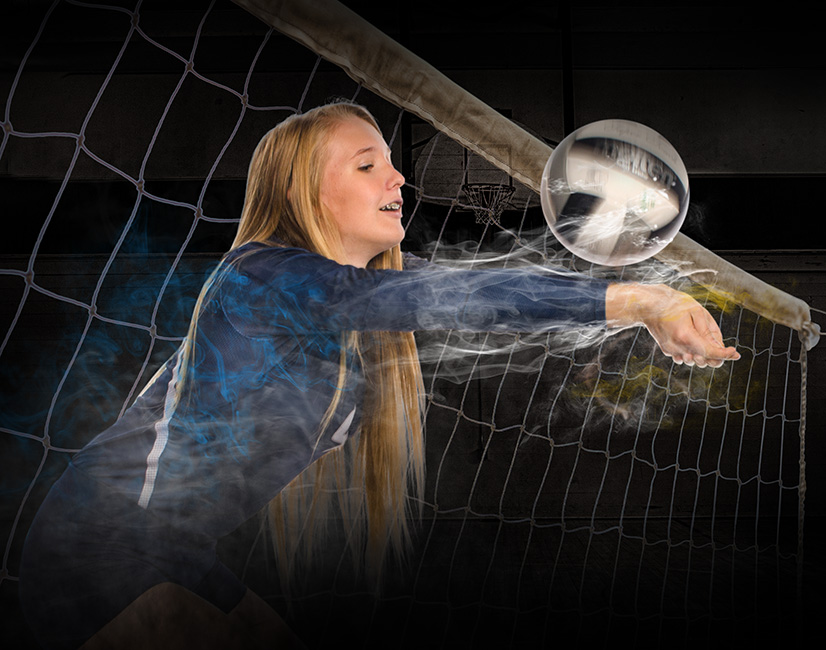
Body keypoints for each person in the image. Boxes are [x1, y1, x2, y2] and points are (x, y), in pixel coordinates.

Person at [19, 101, 739, 650]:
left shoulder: (349, 308)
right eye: (367, 165)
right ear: (306, 189)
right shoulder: (262, 276)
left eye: (391, 163)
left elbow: (476, 296)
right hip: (103, 546)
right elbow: (455, 297)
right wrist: (638, 300)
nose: (397, 177)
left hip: (175, 552)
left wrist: (647, 299)